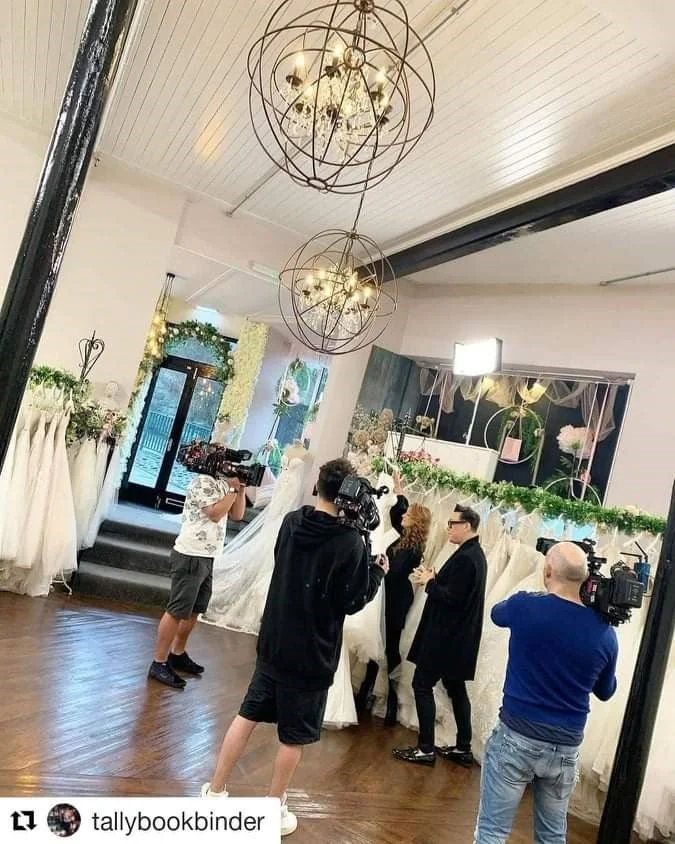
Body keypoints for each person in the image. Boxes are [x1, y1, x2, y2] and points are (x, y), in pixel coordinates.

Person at [201, 458, 388, 837]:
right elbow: (350, 600)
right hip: (312, 651)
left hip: (275, 640)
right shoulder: (349, 541)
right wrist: (376, 571)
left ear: (318, 487)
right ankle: (273, 808)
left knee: (247, 715)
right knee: (293, 736)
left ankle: (215, 791)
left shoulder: (292, 522)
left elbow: (282, 564)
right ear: (350, 494)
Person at [474, 541, 618, 844]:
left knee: (492, 832)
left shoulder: (526, 606)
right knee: (552, 836)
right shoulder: (605, 633)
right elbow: (606, 691)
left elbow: (497, 614)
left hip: (516, 738)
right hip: (565, 747)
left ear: (548, 570)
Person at [393, 504, 487, 766]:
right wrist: (435, 579)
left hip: (446, 638)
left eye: (452, 524)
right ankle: (463, 747)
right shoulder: (473, 554)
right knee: (456, 689)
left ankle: (425, 749)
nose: (448, 529)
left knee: (422, 685)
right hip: (458, 638)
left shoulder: (468, 557)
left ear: (466, 525)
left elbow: (453, 598)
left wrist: (430, 583)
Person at [148, 453, 246, 689]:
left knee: (195, 609)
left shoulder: (224, 484)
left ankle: (177, 653)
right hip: (190, 553)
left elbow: (237, 515)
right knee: (177, 609)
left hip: (208, 556)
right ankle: (158, 662)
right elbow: (214, 514)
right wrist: (231, 492)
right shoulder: (202, 481)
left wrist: (240, 489)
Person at [380, 471, 431, 724]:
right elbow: (395, 512)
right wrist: (399, 488)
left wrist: (377, 567)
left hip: (396, 601)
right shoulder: (403, 538)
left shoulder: (413, 548)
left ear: (415, 522)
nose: (403, 516)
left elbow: (395, 573)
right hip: (387, 596)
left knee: (390, 648)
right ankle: (369, 689)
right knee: (379, 644)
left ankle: (391, 701)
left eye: (408, 515)